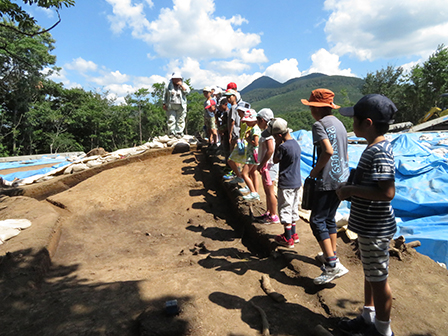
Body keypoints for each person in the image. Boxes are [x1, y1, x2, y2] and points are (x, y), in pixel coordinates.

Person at [336, 94, 398, 336]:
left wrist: (350, 189)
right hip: (368, 226)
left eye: (355, 119)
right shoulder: (373, 148)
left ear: (368, 123)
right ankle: (368, 315)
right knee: (371, 273)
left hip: (375, 229)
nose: (352, 123)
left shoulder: (379, 151)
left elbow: (387, 192)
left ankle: (383, 330)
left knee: (379, 279)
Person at [301, 88, 350, 285]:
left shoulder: (319, 124)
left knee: (317, 220)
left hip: (327, 179)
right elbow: (344, 153)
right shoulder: (340, 124)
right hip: (342, 177)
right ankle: (332, 254)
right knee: (329, 217)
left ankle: (332, 265)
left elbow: (328, 151)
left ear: (316, 108)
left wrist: (315, 171)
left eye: (312, 106)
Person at [263, 118, 301, 248]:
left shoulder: (283, 147)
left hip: (286, 182)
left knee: (285, 208)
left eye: (274, 136)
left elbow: (275, 160)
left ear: (279, 135)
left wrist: (278, 144)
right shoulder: (295, 144)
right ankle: (294, 234)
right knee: (293, 208)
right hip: (296, 181)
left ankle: (287, 237)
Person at [255, 108, 280, 224]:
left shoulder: (267, 135)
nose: (257, 122)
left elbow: (270, 150)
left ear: (263, 120)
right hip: (267, 165)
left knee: (270, 191)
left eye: (258, 119)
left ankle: (274, 215)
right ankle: (269, 211)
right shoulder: (266, 133)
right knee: (266, 189)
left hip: (269, 165)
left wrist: (262, 164)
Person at [239, 109, 261, 201]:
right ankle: (255, 191)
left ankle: (253, 192)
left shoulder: (255, 129)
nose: (246, 123)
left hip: (252, 155)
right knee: (253, 172)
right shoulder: (254, 128)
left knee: (244, 173)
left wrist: (247, 138)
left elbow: (256, 143)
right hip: (255, 155)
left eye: (248, 121)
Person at [163, 72, 190, 138]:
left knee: (180, 119)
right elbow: (164, 95)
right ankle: (171, 132)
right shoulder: (168, 86)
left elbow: (187, 91)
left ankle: (179, 132)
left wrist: (181, 86)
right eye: (174, 79)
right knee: (171, 119)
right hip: (171, 105)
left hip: (181, 105)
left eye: (177, 79)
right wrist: (164, 103)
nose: (176, 80)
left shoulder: (184, 85)